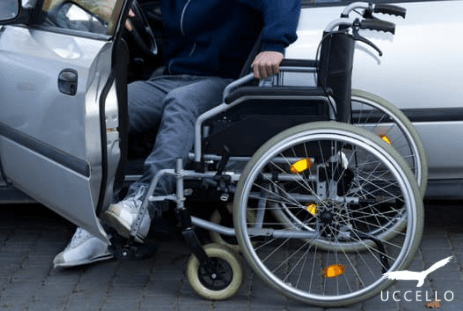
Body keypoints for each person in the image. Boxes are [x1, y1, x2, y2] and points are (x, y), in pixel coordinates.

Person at [53, 0, 301, 268]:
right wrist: (121, 10)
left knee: (181, 103)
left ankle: (144, 204)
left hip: (224, 82)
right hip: (172, 78)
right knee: (108, 107)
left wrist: (276, 44)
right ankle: (94, 225)